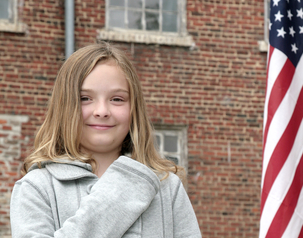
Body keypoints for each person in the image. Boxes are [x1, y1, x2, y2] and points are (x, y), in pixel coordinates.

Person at [10, 42, 202, 238]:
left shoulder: (167, 186)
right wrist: (120, 193)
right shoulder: (36, 188)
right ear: (64, 107)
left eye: (117, 99)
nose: (102, 111)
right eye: (85, 98)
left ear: (134, 109)